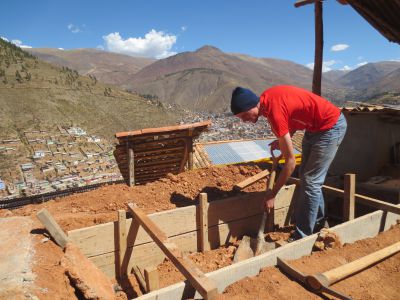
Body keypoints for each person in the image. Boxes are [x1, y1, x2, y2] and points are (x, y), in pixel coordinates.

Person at [231, 85, 347, 240]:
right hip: (314, 129)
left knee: (311, 181)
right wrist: (282, 140)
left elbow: (290, 163)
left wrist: (272, 194)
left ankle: (303, 236)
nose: (245, 120)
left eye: (245, 114)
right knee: (308, 179)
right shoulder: (267, 100)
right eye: (240, 118)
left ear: (254, 104)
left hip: (330, 126)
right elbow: (290, 116)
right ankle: (319, 222)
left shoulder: (274, 113)